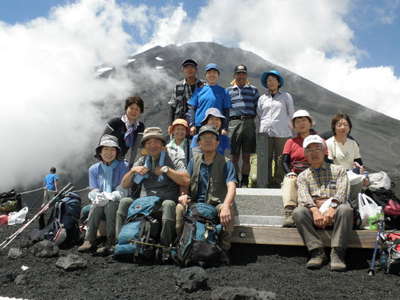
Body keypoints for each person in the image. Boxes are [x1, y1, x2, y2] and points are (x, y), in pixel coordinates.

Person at [118, 127, 190, 252]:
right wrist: (133, 171)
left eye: (156, 142)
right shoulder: (141, 161)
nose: (152, 145)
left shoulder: (173, 158)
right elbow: (125, 185)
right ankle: (120, 242)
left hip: (165, 199)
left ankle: (165, 246)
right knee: (124, 202)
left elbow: (186, 180)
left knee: (168, 205)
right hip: (145, 202)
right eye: (148, 143)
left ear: (162, 144)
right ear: (145, 146)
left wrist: (167, 170)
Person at [293, 135, 353, 271]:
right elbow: (304, 196)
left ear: (325, 151)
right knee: (298, 212)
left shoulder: (339, 171)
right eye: (309, 150)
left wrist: (331, 208)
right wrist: (315, 211)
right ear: (305, 154)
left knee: (345, 210)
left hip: (335, 213)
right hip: (315, 215)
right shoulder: (303, 176)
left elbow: (342, 193)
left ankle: (338, 253)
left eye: (317, 148)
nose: (314, 153)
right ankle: (317, 251)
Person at [176, 125, 237, 252]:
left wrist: (225, 205)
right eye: (204, 138)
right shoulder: (193, 161)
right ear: (199, 143)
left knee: (229, 209)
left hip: (216, 205)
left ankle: (223, 250)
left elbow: (232, 186)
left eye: (211, 138)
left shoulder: (226, 162)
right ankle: (182, 245)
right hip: (195, 204)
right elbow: (185, 181)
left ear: (218, 142)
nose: (208, 140)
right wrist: (183, 194)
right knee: (179, 208)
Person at [78, 135, 129, 255]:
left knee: (110, 206)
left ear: (117, 152)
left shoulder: (123, 167)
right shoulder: (94, 169)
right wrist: (97, 196)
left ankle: (111, 241)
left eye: (112, 150)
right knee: (96, 205)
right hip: (101, 201)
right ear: (100, 152)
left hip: (117, 199)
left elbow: (123, 189)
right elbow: (94, 189)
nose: (109, 153)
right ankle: (89, 240)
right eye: (105, 149)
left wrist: (110, 196)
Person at [257, 70, 294, 188]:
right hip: (265, 133)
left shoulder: (286, 96)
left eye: (273, 80)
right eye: (268, 81)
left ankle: (278, 183)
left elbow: (291, 113)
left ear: (278, 82)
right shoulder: (262, 98)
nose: (270, 82)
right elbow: (259, 113)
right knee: (264, 159)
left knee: (280, 159)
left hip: (282, 132)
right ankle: (264, 183)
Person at [281, 110, 317, 227]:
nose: (301, 123)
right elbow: (284, 161)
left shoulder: (318, 141)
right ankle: (289, 214)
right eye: (298, 121)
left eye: (304, 120)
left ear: (310, 123)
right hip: (296, 173)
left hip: (313, 172)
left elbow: (324, 159)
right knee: (289, 180)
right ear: (294, 126)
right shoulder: (290, 142)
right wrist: (289, 173)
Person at [226, 65, 259, 187]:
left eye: (243, 73)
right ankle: (234, 180)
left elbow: (257, 108)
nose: (241, 76)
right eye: (238, 73)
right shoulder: (228, 91)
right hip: (233, 123)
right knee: (234, 156)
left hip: (249, 123)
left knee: (246, 155)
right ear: (234, 75)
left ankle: (244, 181)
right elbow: (225, 109)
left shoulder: (253, 90)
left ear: (246, 75)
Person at [326, 113, 366, 205]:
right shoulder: (329, 143)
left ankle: (355, 210)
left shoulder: (353, 143)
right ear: (334, 127)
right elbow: (329, 165)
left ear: (349, 127)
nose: (343, 127)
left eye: (345, 125)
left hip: (351, 176)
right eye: (339, 125)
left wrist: (359, 168)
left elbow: (359, 162)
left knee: (363, 181)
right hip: (335, 178)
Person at [188, 63, 231, 135]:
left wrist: (225, 127)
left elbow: (226, 111)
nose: (212, 75)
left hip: (216, 126)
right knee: (198, 146)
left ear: (218, 75)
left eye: (214, 73)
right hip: (199, 126)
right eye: (209, 73)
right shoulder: (199, 90)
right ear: (205, 76)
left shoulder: (224, 91)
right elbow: (192, 109)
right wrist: (192, 125)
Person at [103, 96, 145, 167]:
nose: (134, 111)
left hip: (120, 160)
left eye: (137, 109)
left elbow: (134, 148)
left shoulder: (140, 127)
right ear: (126, 108)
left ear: (140, 112)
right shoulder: (115, 122)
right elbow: (102, 140)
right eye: (131, 108)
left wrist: (130, 165)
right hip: (107, 160)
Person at [168, 59, 204, 124]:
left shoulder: (203, 85)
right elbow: (172, 106)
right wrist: (170, 124)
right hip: (181, 122)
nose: (189, 70)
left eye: (192, 67)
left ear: (196, 70)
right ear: (183, 70)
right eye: (186, 67)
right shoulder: (178, 86)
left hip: (199, 120)